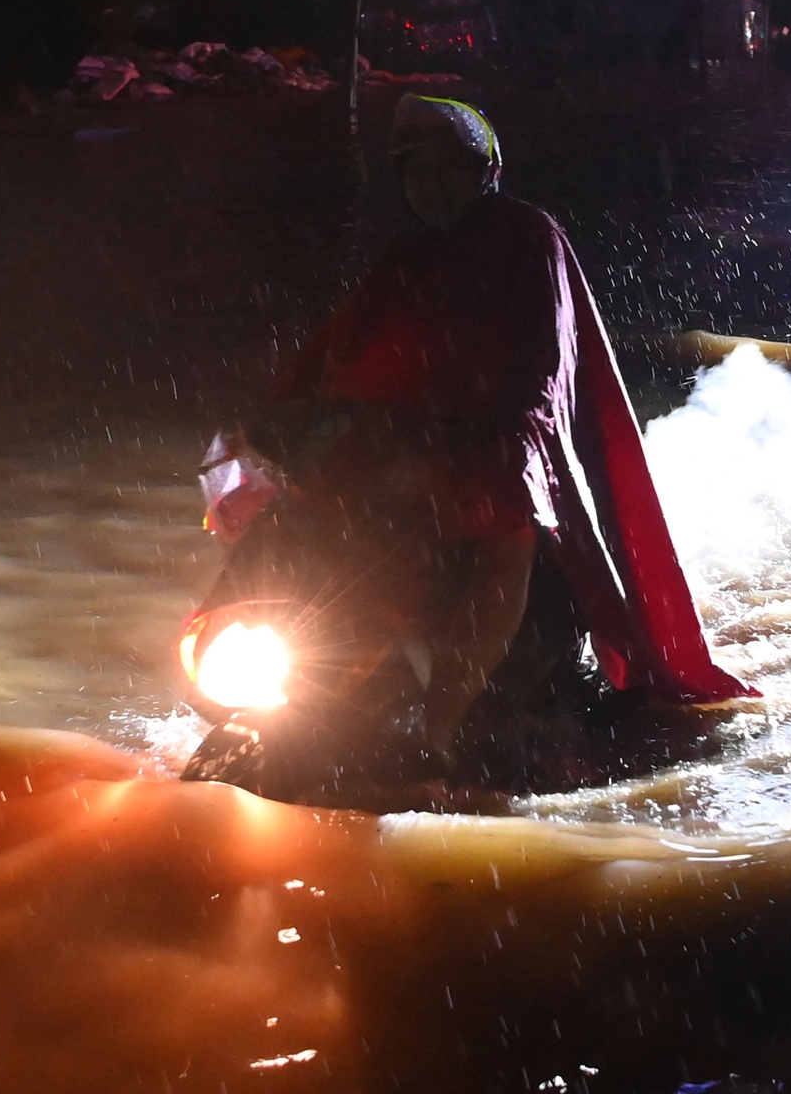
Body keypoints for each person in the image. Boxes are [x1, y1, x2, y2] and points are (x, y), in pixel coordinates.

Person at [248, 94, 754, 766]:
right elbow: (341, 355)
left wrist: (506, 431)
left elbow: (549, 358)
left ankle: (436, 725)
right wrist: (278, 417)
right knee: (320, 516)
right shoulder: (408, 260)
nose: (431, 186)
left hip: (512, 444)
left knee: (503, 524)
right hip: (417, 446)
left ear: (483, 171)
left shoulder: (529, 235)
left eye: (446, 169)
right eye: (416, 172)